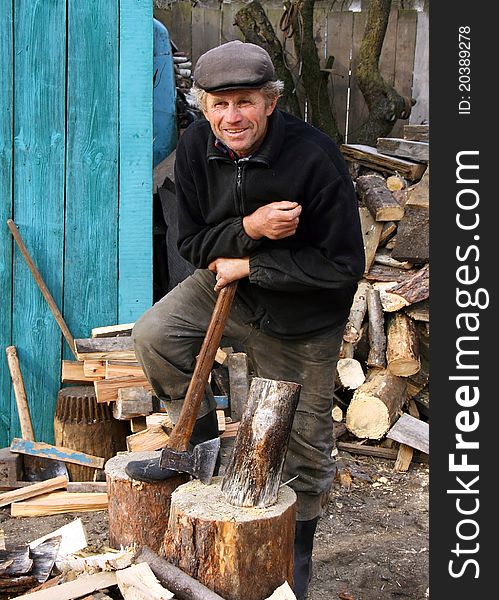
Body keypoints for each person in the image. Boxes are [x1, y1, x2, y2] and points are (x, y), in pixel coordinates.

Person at [126, 40, 365, 599]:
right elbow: (192, 241)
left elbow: (341, 268)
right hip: (229, 284)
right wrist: (252, 228)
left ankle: (294, 563)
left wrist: (254, 263)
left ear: (270, 102)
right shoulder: (194, 147)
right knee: (156, 336)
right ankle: (202, 453)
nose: (231, 117)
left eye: (245, 102)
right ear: (203, 106)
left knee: (301, 444)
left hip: (303, 316)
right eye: (219, 104)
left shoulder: (314, 157)